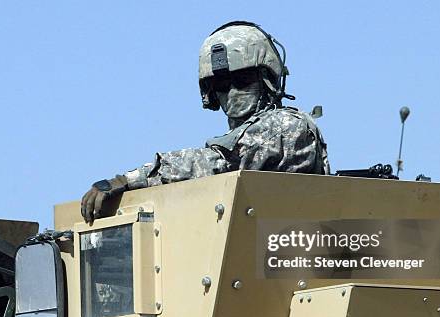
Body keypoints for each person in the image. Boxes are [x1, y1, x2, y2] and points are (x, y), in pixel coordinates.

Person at [81, 21, 330, 223]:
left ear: (267, 79)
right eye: (221, 85)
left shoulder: (286, 125)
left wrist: (127, 180)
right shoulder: (244, 141)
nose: (232, 91)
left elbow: (219, 162)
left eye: (243, 80)